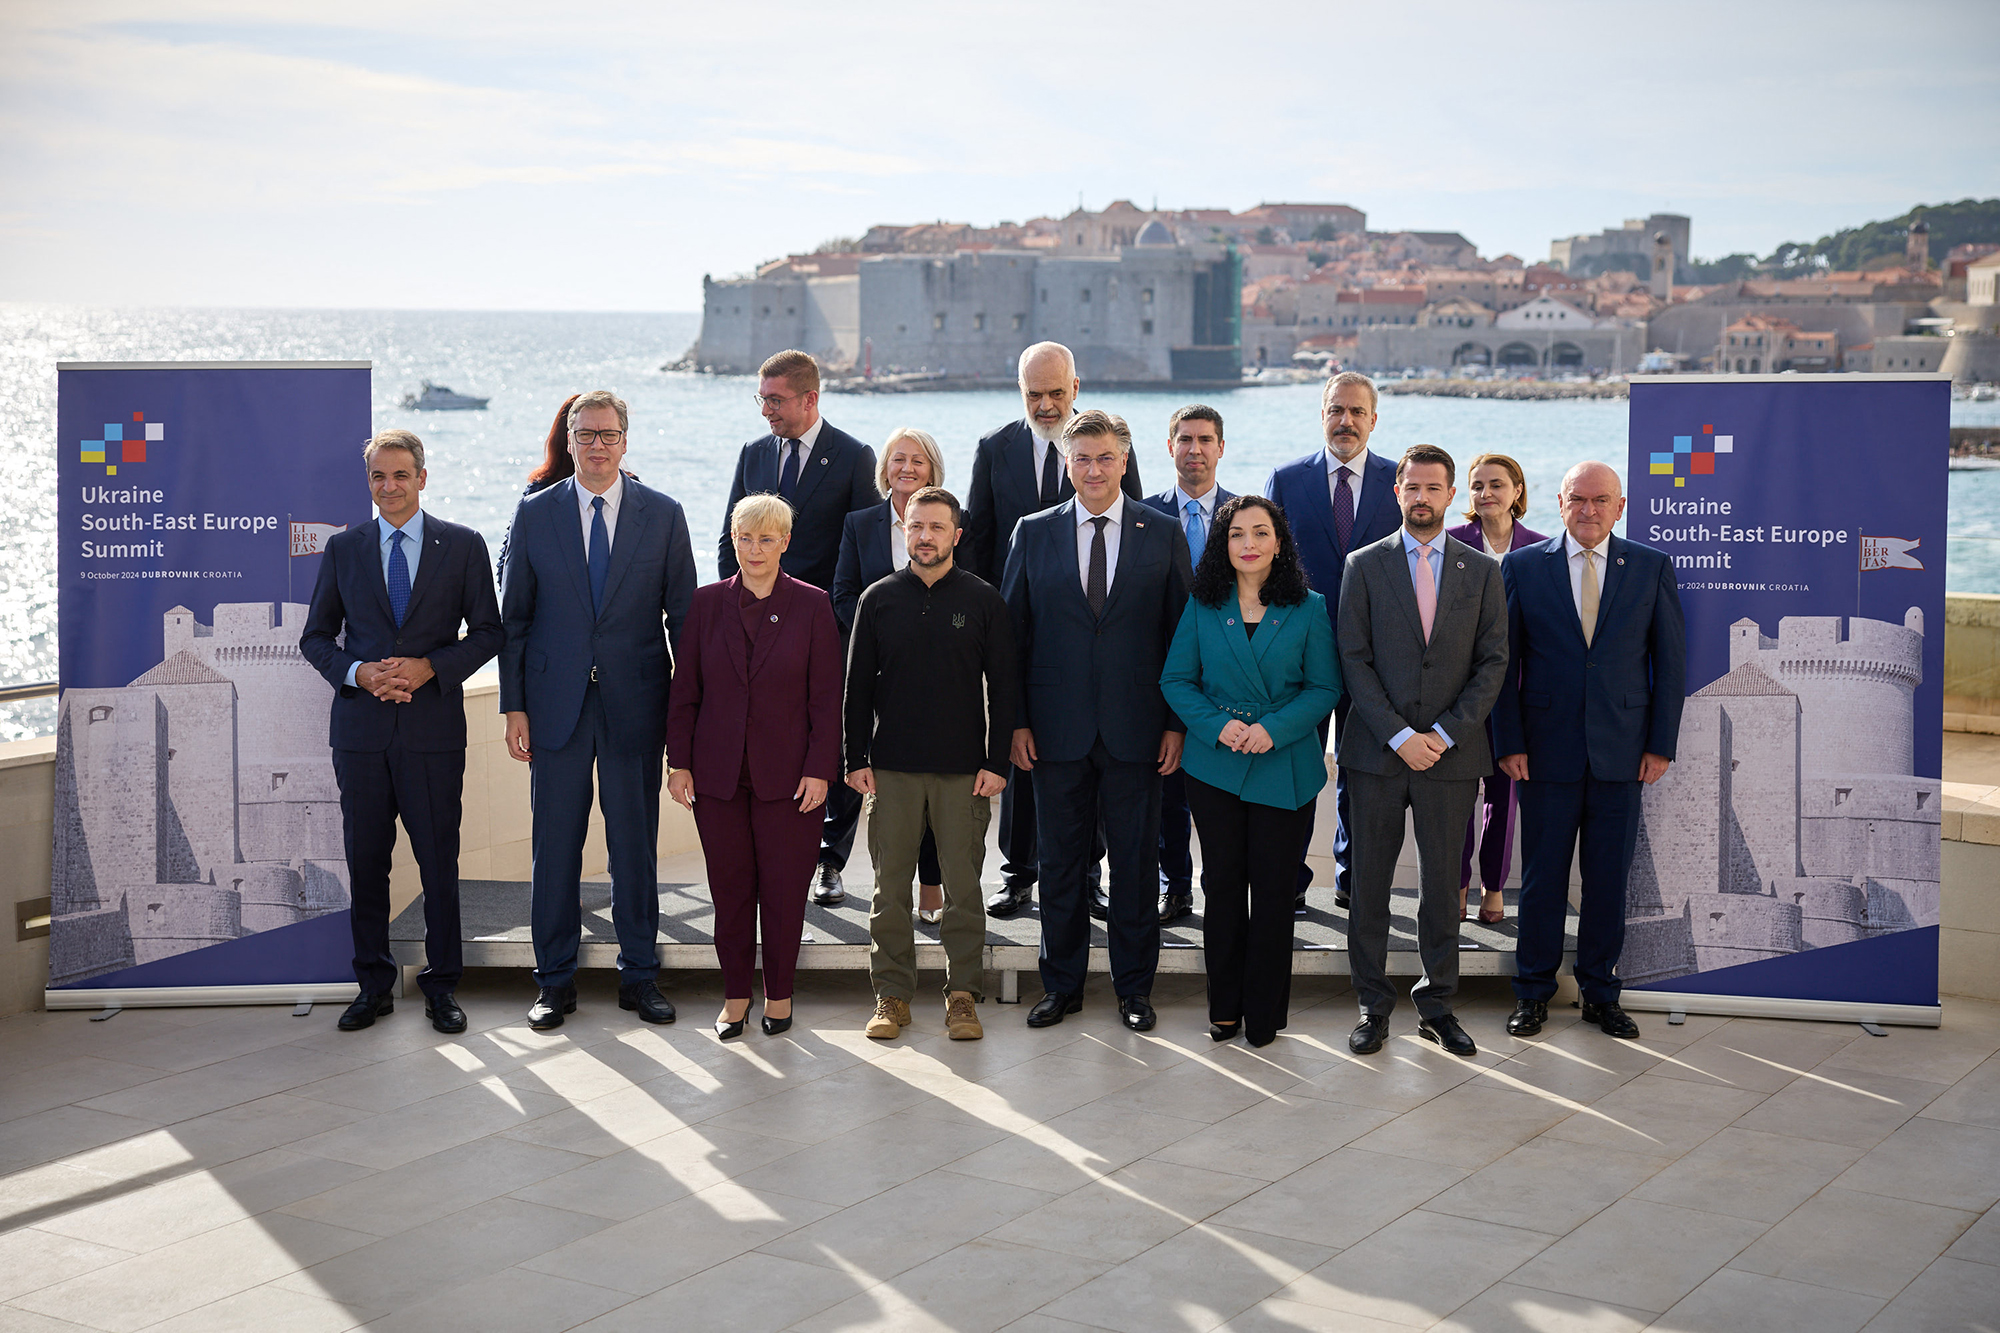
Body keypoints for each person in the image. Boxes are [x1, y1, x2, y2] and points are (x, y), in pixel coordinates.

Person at [499, 389, 697, 1031]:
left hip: (635, 703)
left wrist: (685, 720)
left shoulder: (663, 514)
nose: (597, 446)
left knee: (633, 846)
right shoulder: (535, 514)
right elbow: (516, 619)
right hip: (555, 706)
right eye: (585, 435)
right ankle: (553, 981)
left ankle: (640, 976)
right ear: (571, 439)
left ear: (625, 440)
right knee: (554, 847)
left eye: (608, 435)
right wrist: (514, 707)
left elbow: (685, 622)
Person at [301, 430, 503, 1034]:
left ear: (422, 477)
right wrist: (359, 673)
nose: (389, 488)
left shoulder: (462, 546)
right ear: (369, 483)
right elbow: (315, 637)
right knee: (367, 864)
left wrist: (430, 667)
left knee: (439, 861)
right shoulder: (345, 549)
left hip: (432, 733)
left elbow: (490, 633)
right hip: (361, 734)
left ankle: (442, 986)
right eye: (378, 478)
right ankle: (374, 985)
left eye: (400, 476)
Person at [1003, 410, 1191, 1032]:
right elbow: (1013, 639)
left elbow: (1180, 637)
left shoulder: (1161, 533)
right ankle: (1062, 988)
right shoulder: (1033, 532)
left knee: (1136, 865)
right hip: (1054, 731)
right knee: (1059, 865)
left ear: (1124, 460)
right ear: (1066, 463)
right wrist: (1017, 723)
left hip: (1139, 731)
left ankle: (1135, 989)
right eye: (1080, 459)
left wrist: (1175, 724)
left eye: (1105, 458)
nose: (1093, 470)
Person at [1494, 460, 1686, 1041]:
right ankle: (1532, 994)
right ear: (1559, 502)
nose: (1589, 510)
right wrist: (1509, 742)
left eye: (1602, 500)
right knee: (1543, 879)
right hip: (1544, 753)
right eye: (1578, 499)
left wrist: (1660, 745)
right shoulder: (1524, 567)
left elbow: (1670, 664)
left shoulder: (1650, 568)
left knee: (1608, 881)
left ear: (1619, 507)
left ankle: (1602, 994)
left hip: (1623, 755)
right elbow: (1503, 665)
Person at [1336, 445, 1509, 1059]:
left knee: (1442, 888)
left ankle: (1437, 1006)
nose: (1421, 498)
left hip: (1452, 757)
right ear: (1397, 493)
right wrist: (1400, 735)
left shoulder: (1481, 571)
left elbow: (1493, 664)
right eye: (1412, 487)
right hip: (1377, 755)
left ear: (1450, 494)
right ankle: (1371, 1006)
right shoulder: (1363, 565)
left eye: (1434, 489)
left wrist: (1444, 733)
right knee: (1371, 886)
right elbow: (1352, 659)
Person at [966, 342, 1142, 918]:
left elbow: (1130, 535)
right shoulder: (994, 449)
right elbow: (980, 545)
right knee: (1021, 757)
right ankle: (1017, 874)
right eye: (1033, 395)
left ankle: (1088, 876)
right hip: (1018, 637)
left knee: (1089, 753)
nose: (1045, 405)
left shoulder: (1109, 446)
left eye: (1055, 393)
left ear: (1076, 387)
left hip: (1091, 639)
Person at [1160, 495, 1339, 1047]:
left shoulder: (1309, 606)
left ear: (1278, 543)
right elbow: (1177, 680)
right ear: (1224, 543)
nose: (1249, 544)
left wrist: (1273, 729)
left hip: (1283, 766)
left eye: (1260, 533)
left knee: (1274, 893)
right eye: (1237, 534)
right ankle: (1225, 1008)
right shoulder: (1203, 603)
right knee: (1223, 888)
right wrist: (1218, 726)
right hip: (1216, 765)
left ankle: (1263, 1015)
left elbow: (1325, 687)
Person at [668, 495, 843, 1038]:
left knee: (786, 891)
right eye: (744, 537)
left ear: (785, 543)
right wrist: (679, 763)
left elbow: (825, 698)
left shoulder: (813, 605)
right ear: (732, 539)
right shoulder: (704, 604)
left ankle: (781, 995)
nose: (754, 549)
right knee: (731, 890)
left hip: (791, 780)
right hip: (717, 777)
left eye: (766, 538)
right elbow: (685, 692)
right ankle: (736, 996)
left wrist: (820, 769)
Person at [845, 487, 1015, 1042]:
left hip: (963, 769)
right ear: (905, 532)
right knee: (888, 888)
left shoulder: (984, 599)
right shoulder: (878, 598)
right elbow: (855, 689)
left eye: (936, 527)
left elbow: (1005, 688)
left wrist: (996, 765)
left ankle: (962, 994)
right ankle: (891, 994)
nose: (924, 536)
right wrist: (854, 758)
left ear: (956, 535)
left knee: (964, 887)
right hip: (891, 767)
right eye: (915, 526)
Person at [716, 349, 878, 908]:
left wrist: (834, 618)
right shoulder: (752, 452)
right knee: (772, 740)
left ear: (810, 398)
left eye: (776, 399)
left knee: (828, 744)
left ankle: (829, 861)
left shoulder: (854, 457)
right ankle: (780, 851)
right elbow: (729, 536)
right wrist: (731, 610)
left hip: (822, 628)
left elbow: (860, 547)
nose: (766, 410)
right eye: (761, 398)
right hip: (753, 629)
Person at [1263, 372, 1402, 914]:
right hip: (1304, 654)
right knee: (1298, 770)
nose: (1346, 421)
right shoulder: (1287, 478)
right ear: (1322, 415)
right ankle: (1292, 880)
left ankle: (1353, 878)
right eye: (1336, 410)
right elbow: (1269, 564)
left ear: (1373, 418)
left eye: (1356, 412)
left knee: (1362, 772)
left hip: (1377, 656)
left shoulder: (1398, 481)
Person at [830, 428, 948, 921]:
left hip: (937, 677)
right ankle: (830, 863)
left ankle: (931, 884)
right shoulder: (860, 523)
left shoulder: (950, 519)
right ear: (884, 468)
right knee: (855, 769)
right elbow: (843, 593)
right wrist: (875, 644)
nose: (907, 468)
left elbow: (969, 591)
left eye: (918, 460)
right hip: (873, 669)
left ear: (932, 469)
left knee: (929, 781)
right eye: (898, 459)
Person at [1142, 405, 1235, 926]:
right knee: (1167, 787)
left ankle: (1225, 891)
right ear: (1170, 446)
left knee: (1222, 791)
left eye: (1204, 440)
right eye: (1184, 440)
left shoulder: (1246, 517)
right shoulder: (1142, 513)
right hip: (1161, 673)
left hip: (1230, 675)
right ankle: (1173, 888)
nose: (1194, 449)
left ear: (1221, 448)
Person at [1444, 453, 1546, 925]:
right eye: (1477, 485)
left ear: (1517, 492)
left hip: (1518, 694)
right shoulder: (1449, 544)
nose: (1486, 493)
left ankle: (1494, 887)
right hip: (1460, 693)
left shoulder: (1542, 548)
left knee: (1504, 797)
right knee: (1461, 796)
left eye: (1496, 485)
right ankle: (1456, 887)